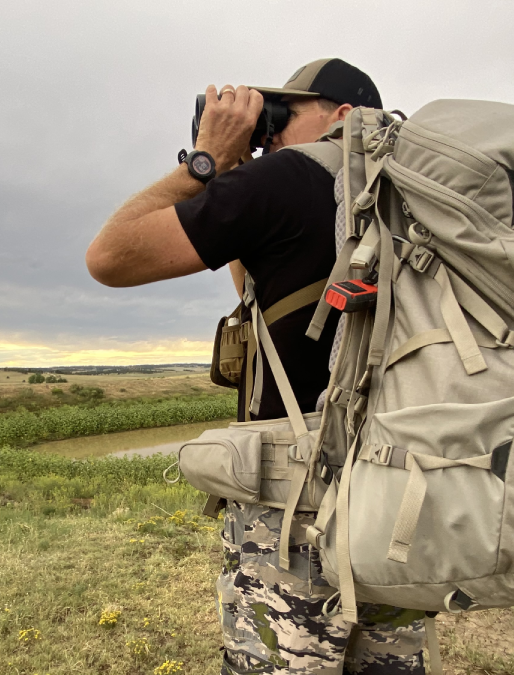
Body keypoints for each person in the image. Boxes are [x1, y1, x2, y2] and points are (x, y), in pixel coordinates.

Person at [86, 59, 432, 675]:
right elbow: (264, 297)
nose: (268, 134)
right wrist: (242, 186)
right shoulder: (421, 201)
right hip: (404, 499)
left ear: (344, 116)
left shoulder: (287, 180)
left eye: (282, 116)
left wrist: (208, 163)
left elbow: (109, 257)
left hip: (295, 505)